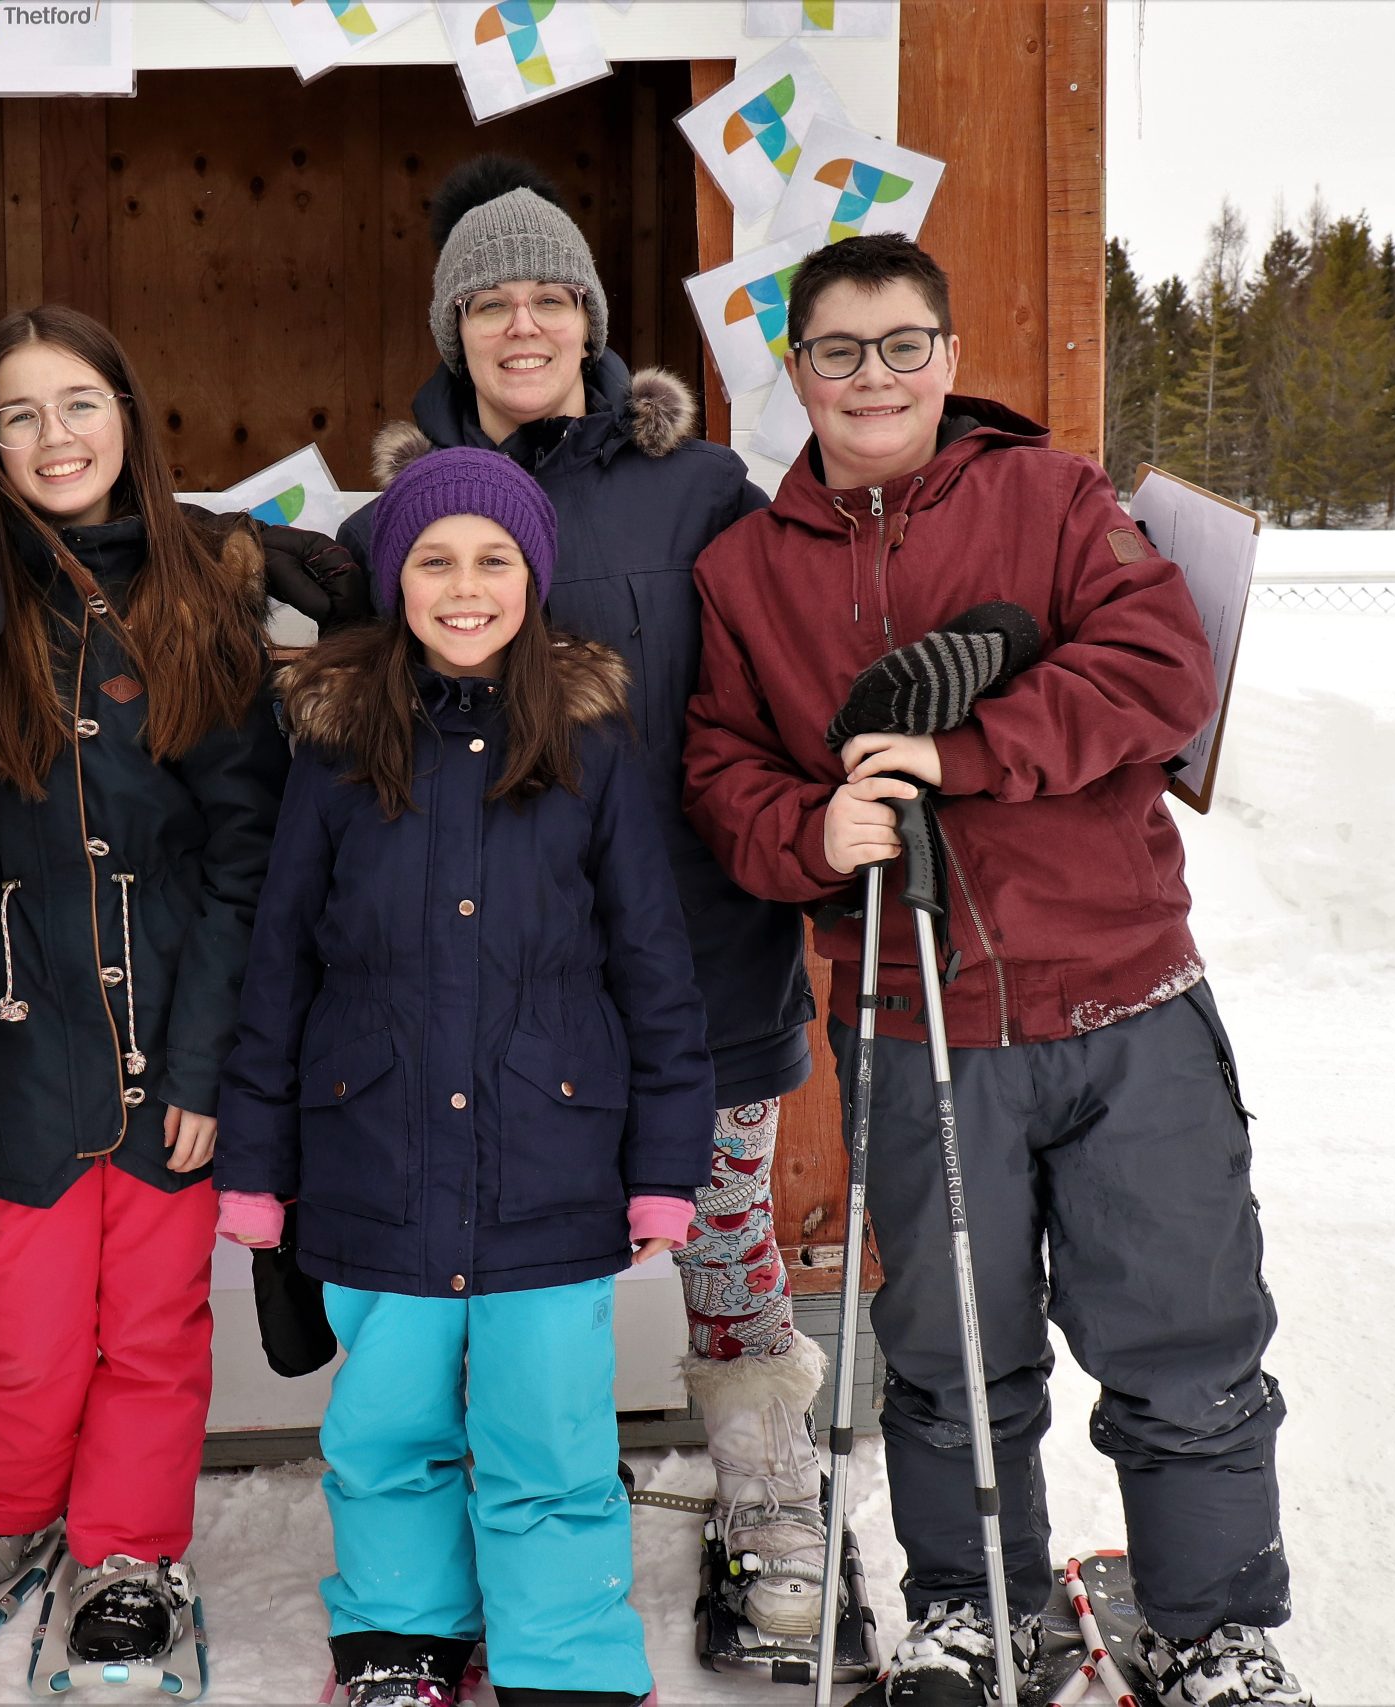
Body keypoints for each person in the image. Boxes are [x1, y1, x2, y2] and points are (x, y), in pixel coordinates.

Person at [684, 232, 1310, 1707]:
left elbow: (1160, 671)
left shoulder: (1052, 497)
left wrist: (961, 750)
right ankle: (976, 1608)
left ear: (949, 357)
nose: (874, 376)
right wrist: (811, 828)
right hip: (919, 1016)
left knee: (1182, 1330)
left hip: (1124, 998)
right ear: (797, 371)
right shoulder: (745, 570)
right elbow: (718, 772)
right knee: (949, 1346)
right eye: (839, 350)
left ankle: (1213, 1622)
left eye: (904, 344)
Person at [332, 157, 838, 1645]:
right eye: (490, 301)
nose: (524, 326)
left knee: (724, 1232)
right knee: (494, 1251)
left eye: (551, 297)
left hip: (694, 952)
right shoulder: (401, 513)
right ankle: (513, 1498)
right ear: (453, 327)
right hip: (487, 983)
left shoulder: (702, 491)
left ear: (594, 320)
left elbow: (788, 674)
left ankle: (765, 1489)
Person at [218, 446, 715, 1707]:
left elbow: (653, 967)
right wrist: (257, 1164)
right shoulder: (335, 746)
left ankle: (563, 1660)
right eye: (434, 560)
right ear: (395, 580)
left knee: (547, 1436)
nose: (464, 587)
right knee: (386, 1429)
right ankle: (403, 1635)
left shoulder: (590, 743)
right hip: (371, 1158)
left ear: (532, 580)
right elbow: (279, 961)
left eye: (493, 560)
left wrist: (664, 1167)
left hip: (549, 1161)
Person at [0, 306, 294, 1685]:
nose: (54, 436)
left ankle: (127, 1548)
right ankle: (1, 1508)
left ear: (126, 414)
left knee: (155, 1327)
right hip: (24, 1034)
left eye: (79, 403)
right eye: (18, 414)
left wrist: (205, 1062)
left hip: (173, 1035)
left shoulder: (197, 597)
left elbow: (245, 854)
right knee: (31, 1320)